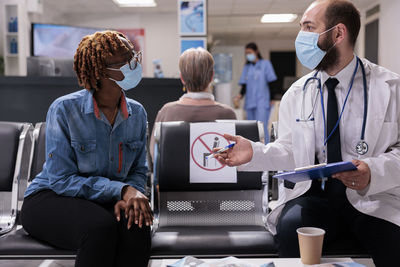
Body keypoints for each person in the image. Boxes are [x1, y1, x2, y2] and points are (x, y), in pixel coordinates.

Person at [216, 1, 400, 266]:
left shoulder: (389, 87)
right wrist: (254, 153)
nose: (301, 36)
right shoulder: (298, 93)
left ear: (338, 34)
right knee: (291, 229)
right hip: (314, 198)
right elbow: (291, 151)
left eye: (309, 27)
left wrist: (372, 170)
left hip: (373, 197)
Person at [21, 31, 153, 267]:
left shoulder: (137, 113)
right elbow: (61, 180)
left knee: (137, 227)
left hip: (104, 200)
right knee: (99, 229)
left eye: (134, 56)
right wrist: (121, 191)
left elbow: (139, 170)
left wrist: (128, 194)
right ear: (101, 72)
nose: (135, 64)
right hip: (51, 197)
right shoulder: (64, 109)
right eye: (126, 60)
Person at [149, 47, 236, 160]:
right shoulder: (228, 113)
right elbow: (235, 157)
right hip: (215, 177)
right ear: (211, 76)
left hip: (175, 177)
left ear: (182, 78)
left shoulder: (167, 111)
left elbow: (154, 154)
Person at [233, 42, 277, 143]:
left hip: (262, 101)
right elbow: (244, 85)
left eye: (250, 52)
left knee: (262, 126)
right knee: (251, 127)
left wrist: (272, 98)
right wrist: (239, 96)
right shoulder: (247, 67)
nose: (248, 55)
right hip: (250, 102)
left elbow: (272, 82)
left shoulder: (265, 64)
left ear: (256, 51)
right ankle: (253, 148)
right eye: (246, 53)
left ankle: (265, 147)